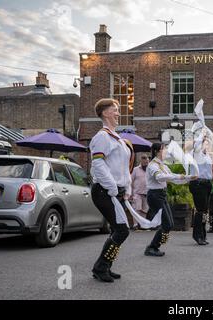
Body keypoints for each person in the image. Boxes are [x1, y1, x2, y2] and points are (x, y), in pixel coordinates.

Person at [89, 98, 134, 283]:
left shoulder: (118, 139)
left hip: (114, 191)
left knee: (118, 230)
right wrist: (113, 188)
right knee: (122, 230)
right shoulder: (102, 137)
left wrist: (127, 186)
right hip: (104, 191)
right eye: (115, 110)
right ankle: (101, 267)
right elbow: (98, 164)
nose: (118, 113)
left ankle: (104, 266)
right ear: (105, 113)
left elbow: (123, 168)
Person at [144, 143, 195, 256]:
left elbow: (173, 178)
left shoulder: (163, 165)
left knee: (170, 224)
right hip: (154, 196)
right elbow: (160, 177)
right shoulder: (152, 165)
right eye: (164, 149)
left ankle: (154, 247)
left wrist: (188, 178)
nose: (166, 151)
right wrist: (181, 177)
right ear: (158, 151)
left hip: (161, 195)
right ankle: (152, 247)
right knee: (167, 224)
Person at [189, 132, 213, 245]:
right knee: (200, 211)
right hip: (198, 184)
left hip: (207, 184)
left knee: (204, 212)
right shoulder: (196, 154)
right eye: (205, 144)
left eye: (208, 144)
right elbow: (196, 144)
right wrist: (201, 136)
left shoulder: (207, 156)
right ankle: (197, 236)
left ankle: (202, 235)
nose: (207, 146)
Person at [130, 155, 150, 229]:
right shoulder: (136, 169)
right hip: (137, 193)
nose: (146, 163)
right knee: (136, 209)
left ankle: (143, 225)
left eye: (147, 162)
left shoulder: (150, 170)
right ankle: (135, 225)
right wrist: (131, 193)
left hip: (147, 193)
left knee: (145, 210)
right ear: (141, 161)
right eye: (145, 162)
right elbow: (131, 181)